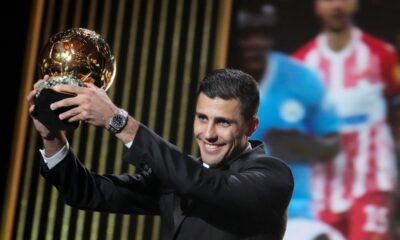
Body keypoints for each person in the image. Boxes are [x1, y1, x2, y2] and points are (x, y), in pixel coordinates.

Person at [28, 69, 294, 240]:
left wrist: (118, 121)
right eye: (202, 118)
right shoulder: (178, 176)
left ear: (251, 126)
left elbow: (207, 184)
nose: (208, 133)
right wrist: (52, 137)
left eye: (223, 122)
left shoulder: (273, 176)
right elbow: (87, 192)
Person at [293, 0, 400, 239]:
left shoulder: (382, 55)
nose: (337, 6)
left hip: (372, 185)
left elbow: (396, 113)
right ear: (316, 5)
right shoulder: (300, 65)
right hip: (321, 193)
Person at [235, 3, 340, 222]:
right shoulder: (216, 86)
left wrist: (294, 145)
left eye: (263, 35)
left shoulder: (303, 80)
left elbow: (333, 144)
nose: (255, 44)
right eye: (246, 36)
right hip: (234, 212)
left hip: (295, 214)